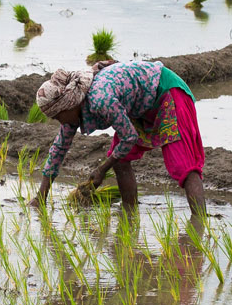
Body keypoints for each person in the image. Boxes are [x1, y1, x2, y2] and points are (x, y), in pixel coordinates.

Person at [30, 61, 208, 214]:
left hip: (168, 93)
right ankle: (129, 215)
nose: (58, 121)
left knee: (182, 164)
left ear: (68, 105)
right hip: (142, 104)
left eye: (57, 116)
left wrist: (102, 170)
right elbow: (58, 150)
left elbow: (129, 137)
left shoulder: (101, 100)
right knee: (121, 160)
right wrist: (41, 197)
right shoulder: (73, 112)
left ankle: (199, 225)